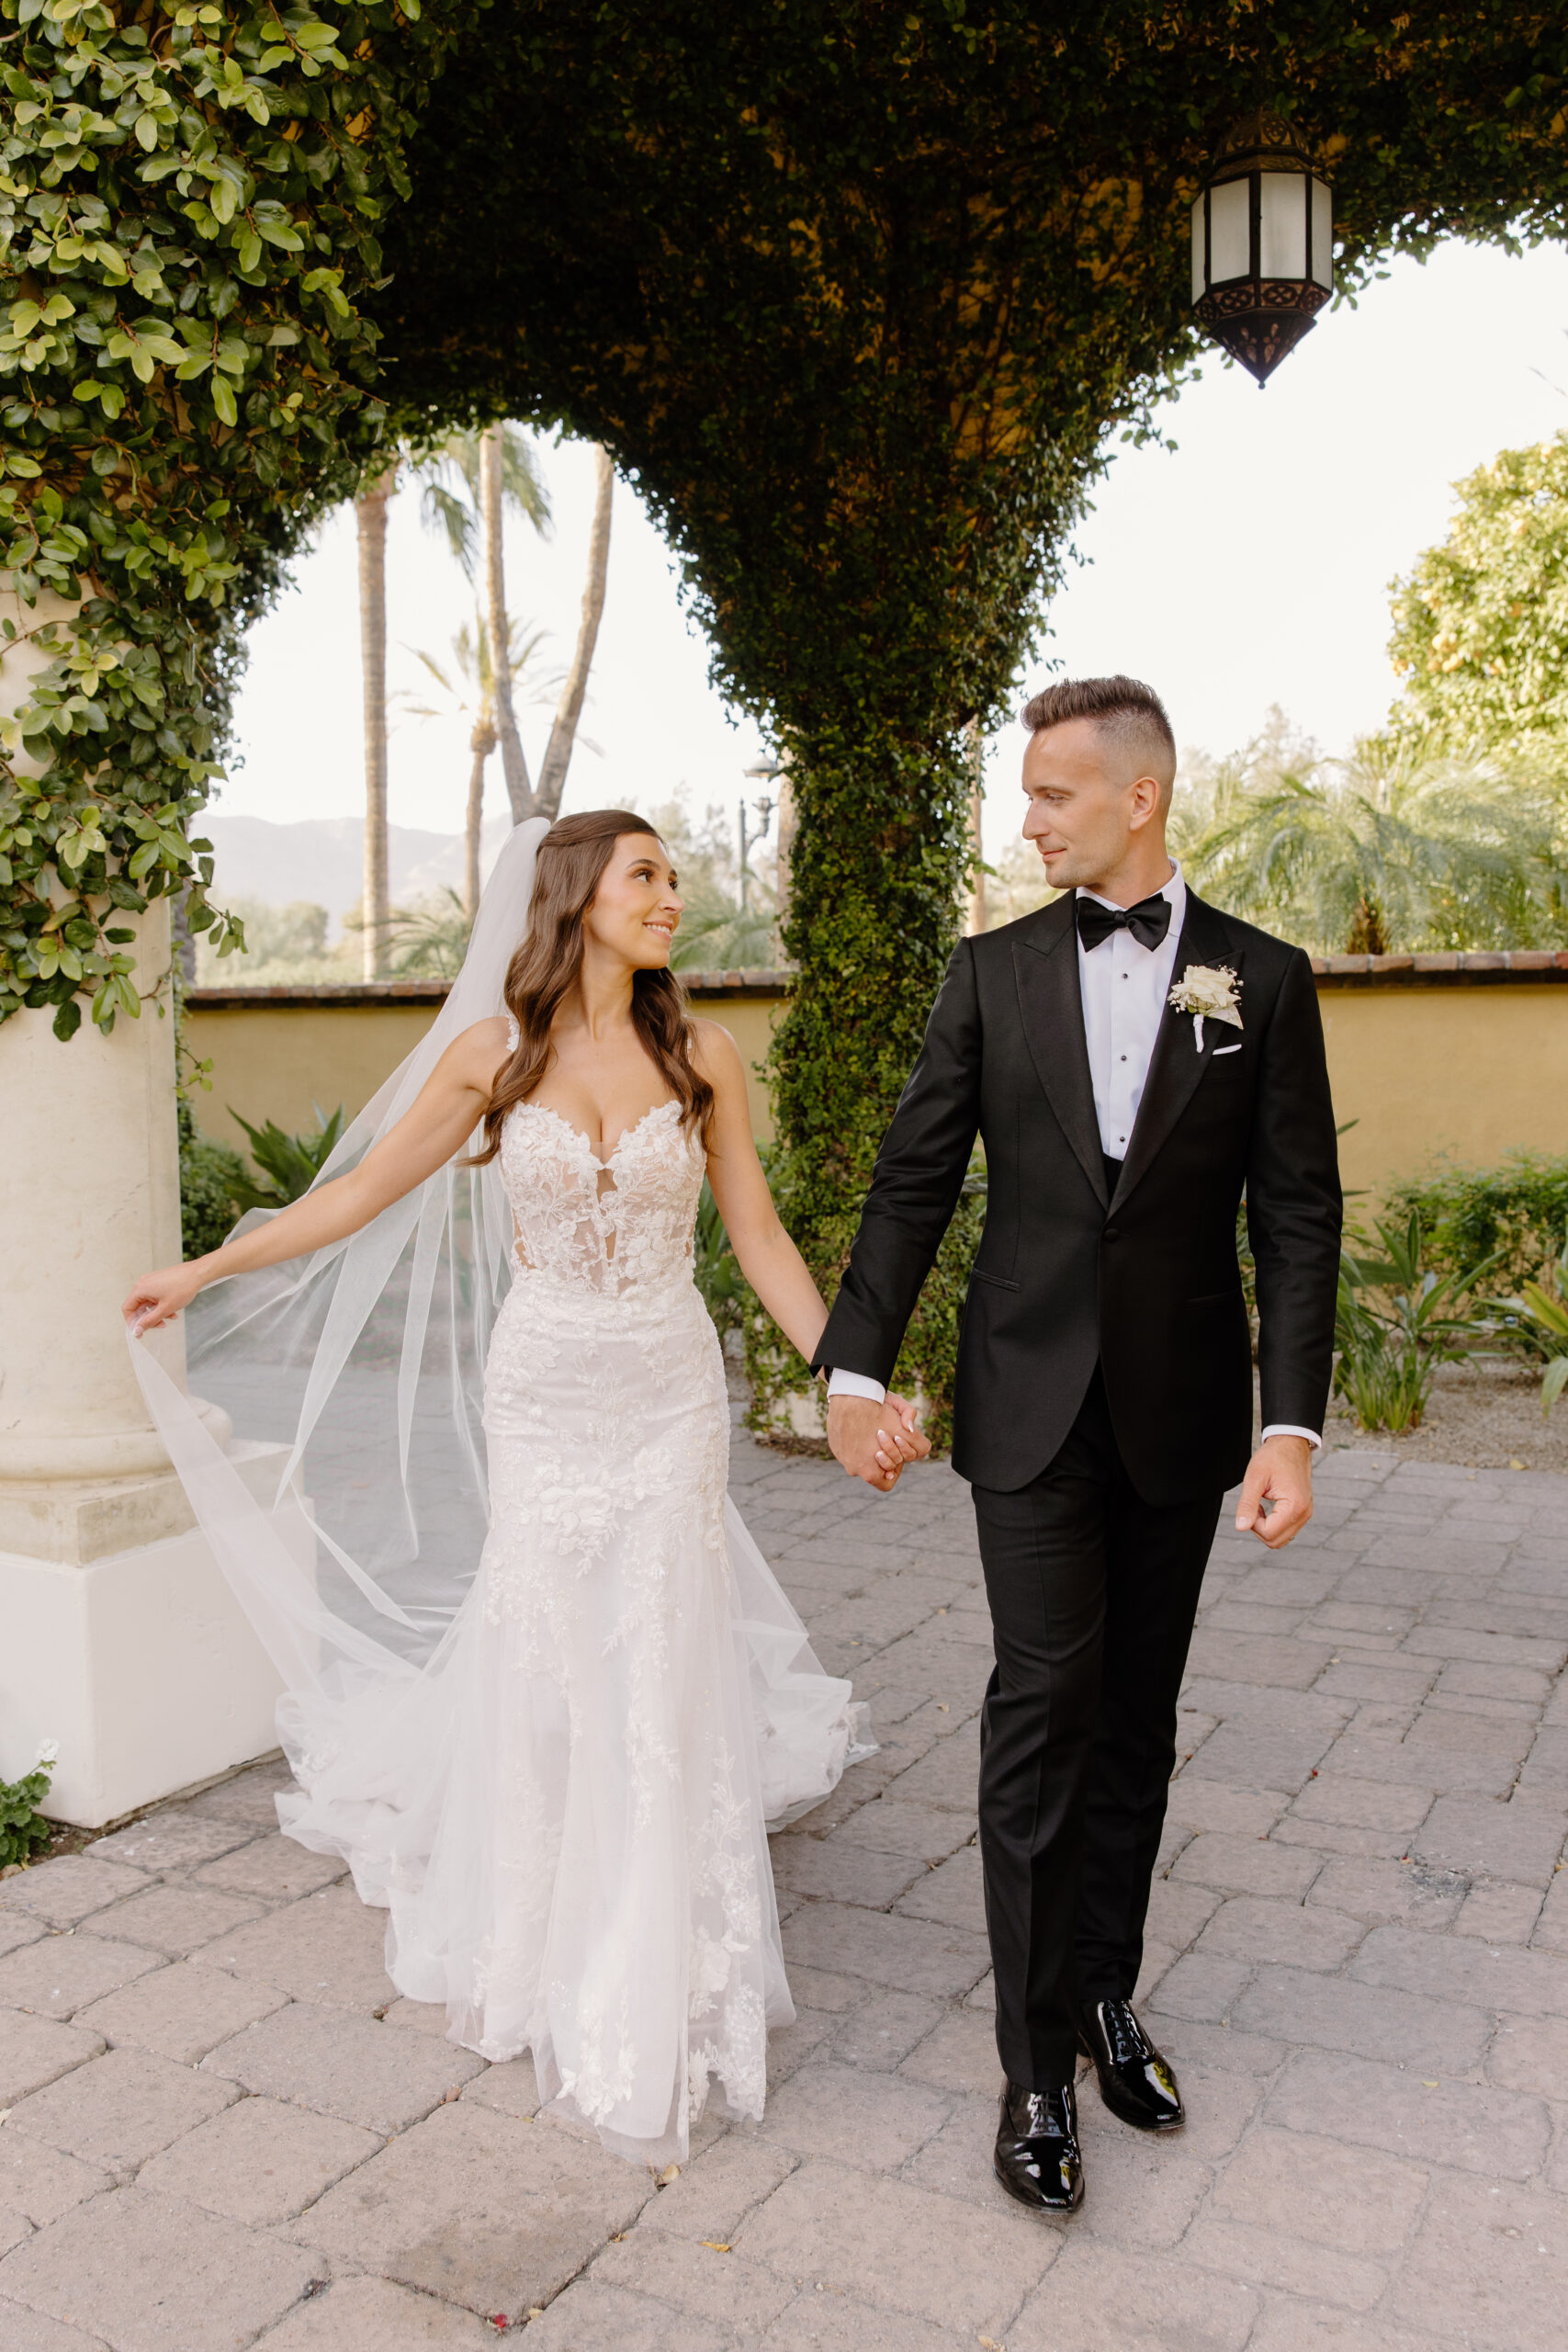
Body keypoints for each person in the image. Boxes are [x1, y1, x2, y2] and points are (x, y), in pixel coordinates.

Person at [124, 809, 927, 2165]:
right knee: (556, 1644)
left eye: (675, 877)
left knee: (661, 1641)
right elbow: (363, 1196)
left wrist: (849, 1380)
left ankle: (660, 1935)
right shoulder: (490, 1053)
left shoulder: (705, 1054)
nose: (674, 897)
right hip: (547, 1388)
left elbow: (760, 1235)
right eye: (647, 876)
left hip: (669, 1387)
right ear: (576, 896)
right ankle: (545, 1911)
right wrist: (209, 1270)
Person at [814, 677, 1341, 2213]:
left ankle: (1110, 1993)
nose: (1026, 816)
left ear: (1139, 798)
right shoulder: (991, 973)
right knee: (1045, 1704)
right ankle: (1035, 2069)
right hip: (1029, 1405)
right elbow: (915, 1182)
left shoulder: (1265, 978)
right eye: (1026, 791)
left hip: (1183, 1417)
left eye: (1051, 792)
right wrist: (854, 1371)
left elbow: (1296, 1219)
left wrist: (1290, 1428)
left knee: (1137, 1717)